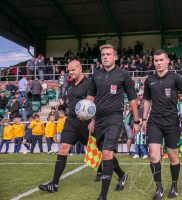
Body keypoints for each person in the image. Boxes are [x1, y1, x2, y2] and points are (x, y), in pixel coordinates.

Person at [86, 44, 140, 200]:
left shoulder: (123, 75)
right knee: (104, 153)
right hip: (99, 119)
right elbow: (90, 98)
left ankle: (103, 196)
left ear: (115, 57)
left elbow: (132, 99)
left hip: (115, 118)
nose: (105, 57)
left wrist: (136, 121)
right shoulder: (95, 75)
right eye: (103, 54)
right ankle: (122, 175)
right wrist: (90, 117)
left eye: (108, 54)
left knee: (107, 152)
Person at [142, 49, 182, 199]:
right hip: (154, 122)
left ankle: (174, 185)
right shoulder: (149, 80)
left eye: (161, 60)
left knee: (173, 156)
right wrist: (144, 119)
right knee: (153, 155)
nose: (158, 63)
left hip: (171, 122)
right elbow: (147, 101)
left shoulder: (175, 78)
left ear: (167, 60)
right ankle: (159, 189)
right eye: (156, 61)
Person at [38, 60, 91, 193]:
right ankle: (54, 184)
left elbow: (93, 103)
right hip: (71, 121)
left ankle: (112, 172)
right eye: (69, 71)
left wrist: (92, 120)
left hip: (85, 122)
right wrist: (61, 106)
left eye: (73, 70)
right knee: (63, 148)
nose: (70, 73)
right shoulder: (71, 85)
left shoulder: (89, 83)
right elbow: (70, 101)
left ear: (80, 69)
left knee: (93, 150)